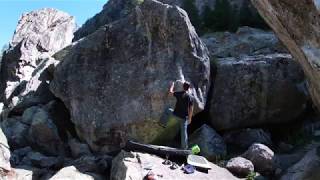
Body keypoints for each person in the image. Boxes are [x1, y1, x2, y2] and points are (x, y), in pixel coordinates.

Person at [165, 81, 194, 149]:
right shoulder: (191, 97)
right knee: (184, 132)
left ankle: (163, 123)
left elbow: (170, 92)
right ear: (189, 88)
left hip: (175, 115)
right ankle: (184, 148)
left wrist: (172, 85)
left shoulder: (179, 94)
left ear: (183, 87)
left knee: (168, 110)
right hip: (184, 118)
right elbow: (191, 109)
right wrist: (190, 119)